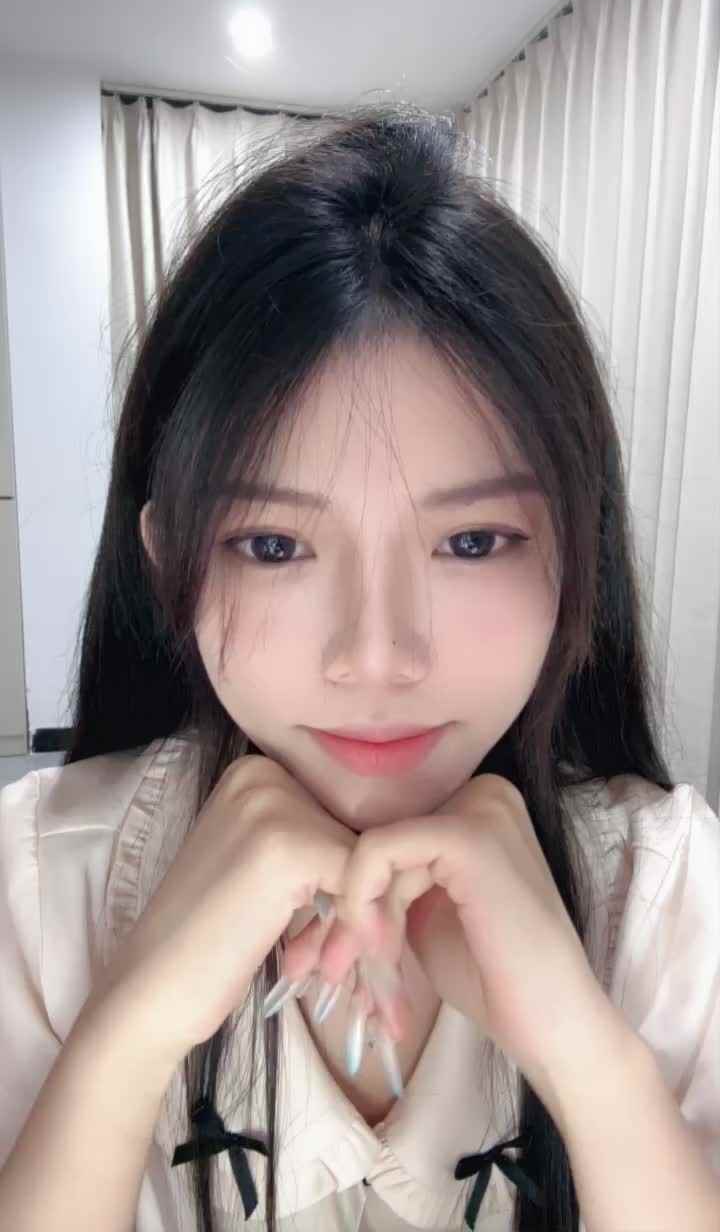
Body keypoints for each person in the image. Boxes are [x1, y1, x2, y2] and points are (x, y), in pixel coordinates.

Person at [1, 103, 719, 1232]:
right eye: (272, 545)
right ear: (169, 561)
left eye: (472, 541)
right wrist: (125, 1035)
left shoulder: (668, 897)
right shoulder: (41, 883)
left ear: (577, 552)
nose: (377, 657)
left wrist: (591, 1058)